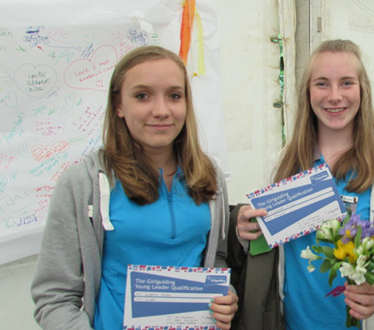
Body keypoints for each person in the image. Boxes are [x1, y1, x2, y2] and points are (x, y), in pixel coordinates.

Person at [31, 45, 238, 329]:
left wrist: (225, 294)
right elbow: (53, 297)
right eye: (142, 96)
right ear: (118, 105)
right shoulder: (85, 183)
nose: (162, 110)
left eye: (174, 96)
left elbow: (215, 257)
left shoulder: (208, 174)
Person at [228, 39, 374, 330]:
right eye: (322, 84)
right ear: (308, 92)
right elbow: (267, 242)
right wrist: (245, 227)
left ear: (362, 90)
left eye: (347, 83)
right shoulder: (285, 164)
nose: (335, 96)